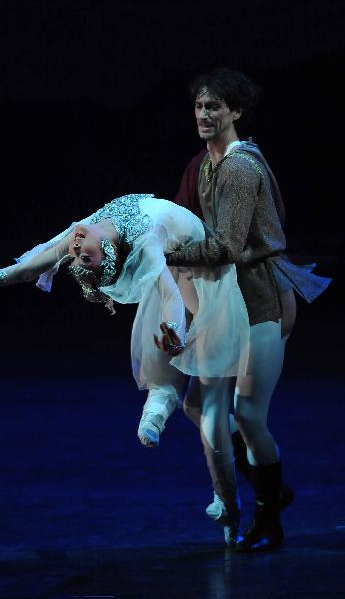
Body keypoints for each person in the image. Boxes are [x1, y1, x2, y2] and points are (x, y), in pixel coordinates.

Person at [0, 194, 250, 547]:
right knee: (199, 404)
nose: (75, 245)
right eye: (81, 254)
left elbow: (28, 268)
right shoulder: (144, 242)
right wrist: (176, 335)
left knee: (203, 409)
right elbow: (168, 297)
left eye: (77, 253)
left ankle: (225, 493)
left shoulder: (92, 233)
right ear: (105, 251)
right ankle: (222, 484)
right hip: (190, 272)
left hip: (200, 269)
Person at [167, 67, 331, 551]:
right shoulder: (206, 164)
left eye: (214, 106)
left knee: (248, 414)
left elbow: (229, 247)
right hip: (228, 299)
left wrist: (164, 258)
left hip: (259, 296)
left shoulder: (239, 167)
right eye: (199, 105)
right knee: (202, 405)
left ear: (236, 112)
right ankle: (270, 490)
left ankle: (269, 518)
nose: (204, 114)